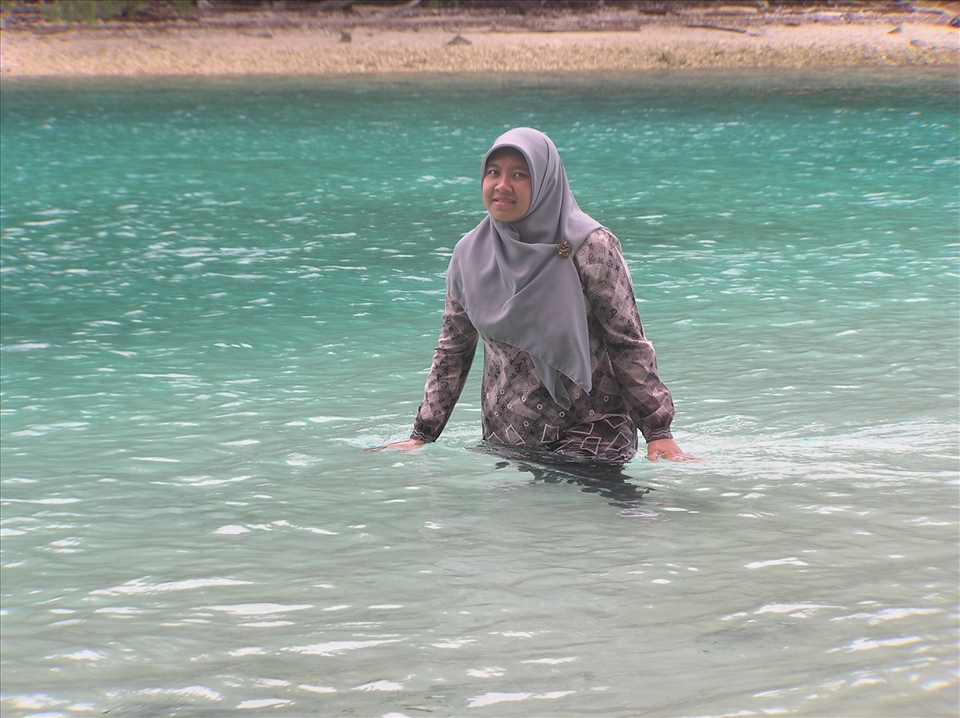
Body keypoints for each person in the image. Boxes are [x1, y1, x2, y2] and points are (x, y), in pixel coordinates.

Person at [376, 127, 699, 465]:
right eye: (493, 173)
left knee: (590, 508)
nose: (502, 185)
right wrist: (422, 435)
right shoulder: (468, 255)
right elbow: (453, 350)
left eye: (520, 175)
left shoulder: (591, 247)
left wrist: (658, 432)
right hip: (507, 435)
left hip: (594, 430)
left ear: (546, 181)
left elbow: (627, 342)